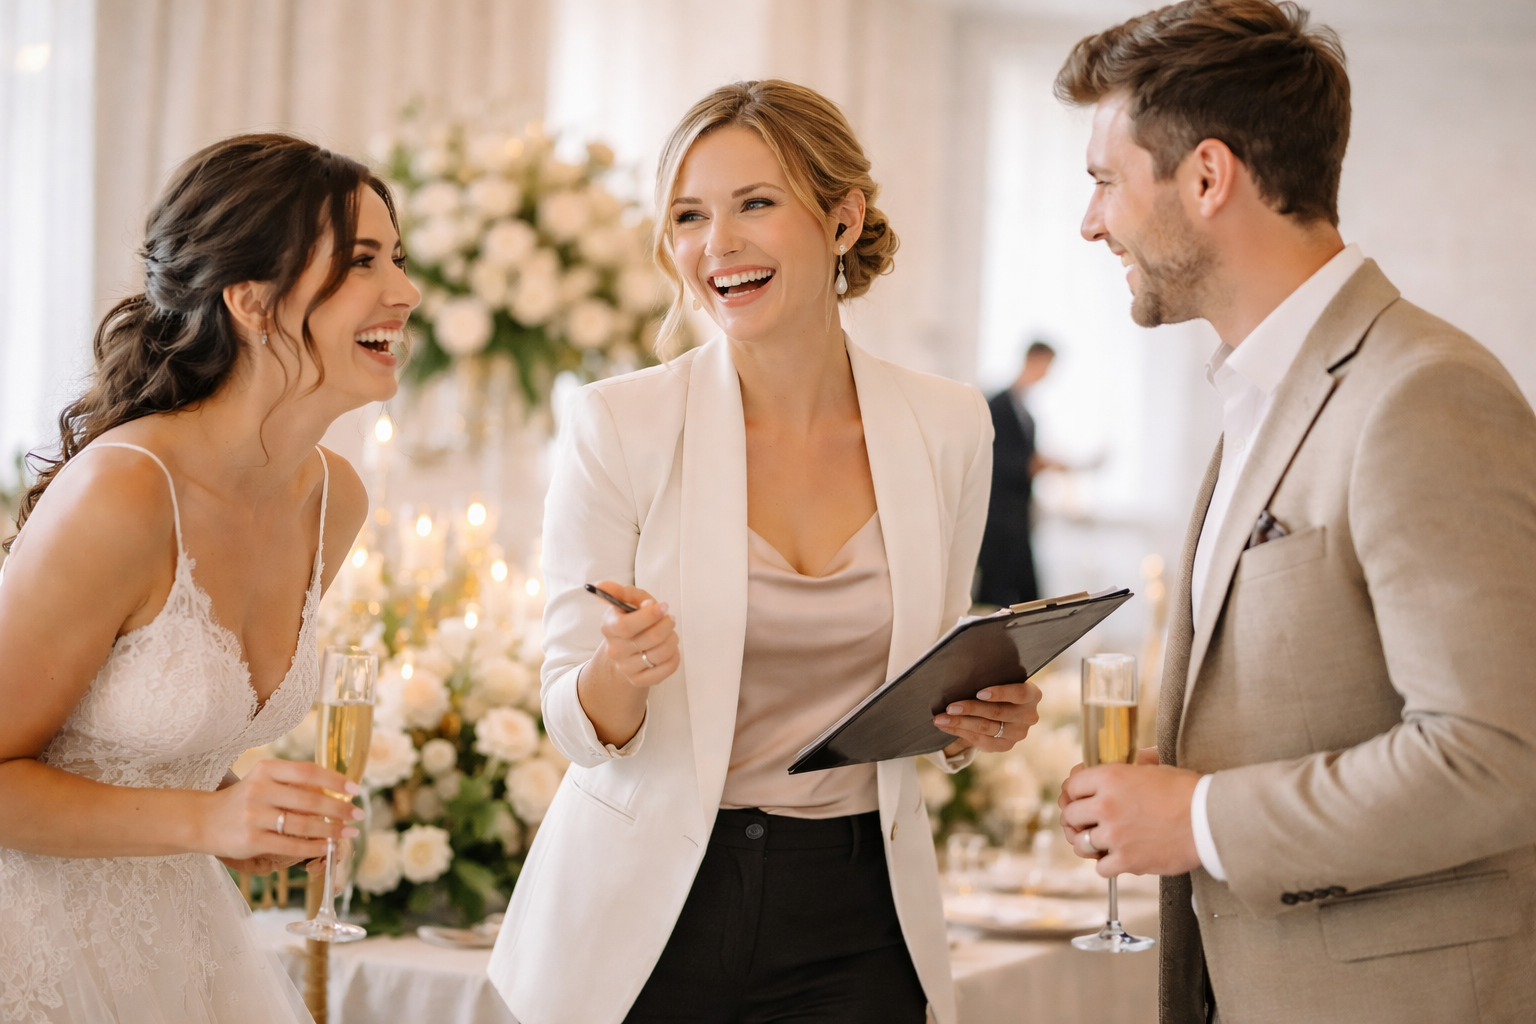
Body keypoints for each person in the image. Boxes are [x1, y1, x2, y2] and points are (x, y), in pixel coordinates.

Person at [487, 80, 1041, 1024]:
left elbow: (927, 675)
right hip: (650, 908)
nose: (718, 244)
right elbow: (570, 720)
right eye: (690, 216)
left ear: (842, 218)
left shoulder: (949, 426)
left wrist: (976, 716)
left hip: (859, 908)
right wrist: (621, 675)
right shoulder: (617, 423)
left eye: (755, 203)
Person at [1050, 2, 1536, 1022]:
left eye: (1104, 180)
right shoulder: (1256, 396)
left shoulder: (1421, 393)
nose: (1091, 220)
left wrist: (1203, 817)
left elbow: (1499, 758)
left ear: (1208, 177)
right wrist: (1182, 778)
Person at [0, 134, 420, 1022]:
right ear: (252, 301)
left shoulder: (332, 498)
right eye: (361, 263)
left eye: (398, 258)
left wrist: (242, 813)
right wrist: (208, 824)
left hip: (176, 947)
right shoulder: (124, 494)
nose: (405, 292)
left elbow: (131, 754)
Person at [976, 340, 1063, 606]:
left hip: (1019, 518)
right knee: (996, 595)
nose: (1047, 374)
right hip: (998, 520)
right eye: (1046, 366)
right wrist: (1031, 465)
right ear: (1034, 361)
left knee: (1028, 598)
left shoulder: (1026, 412)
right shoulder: (997, 405)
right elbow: (992, 460)